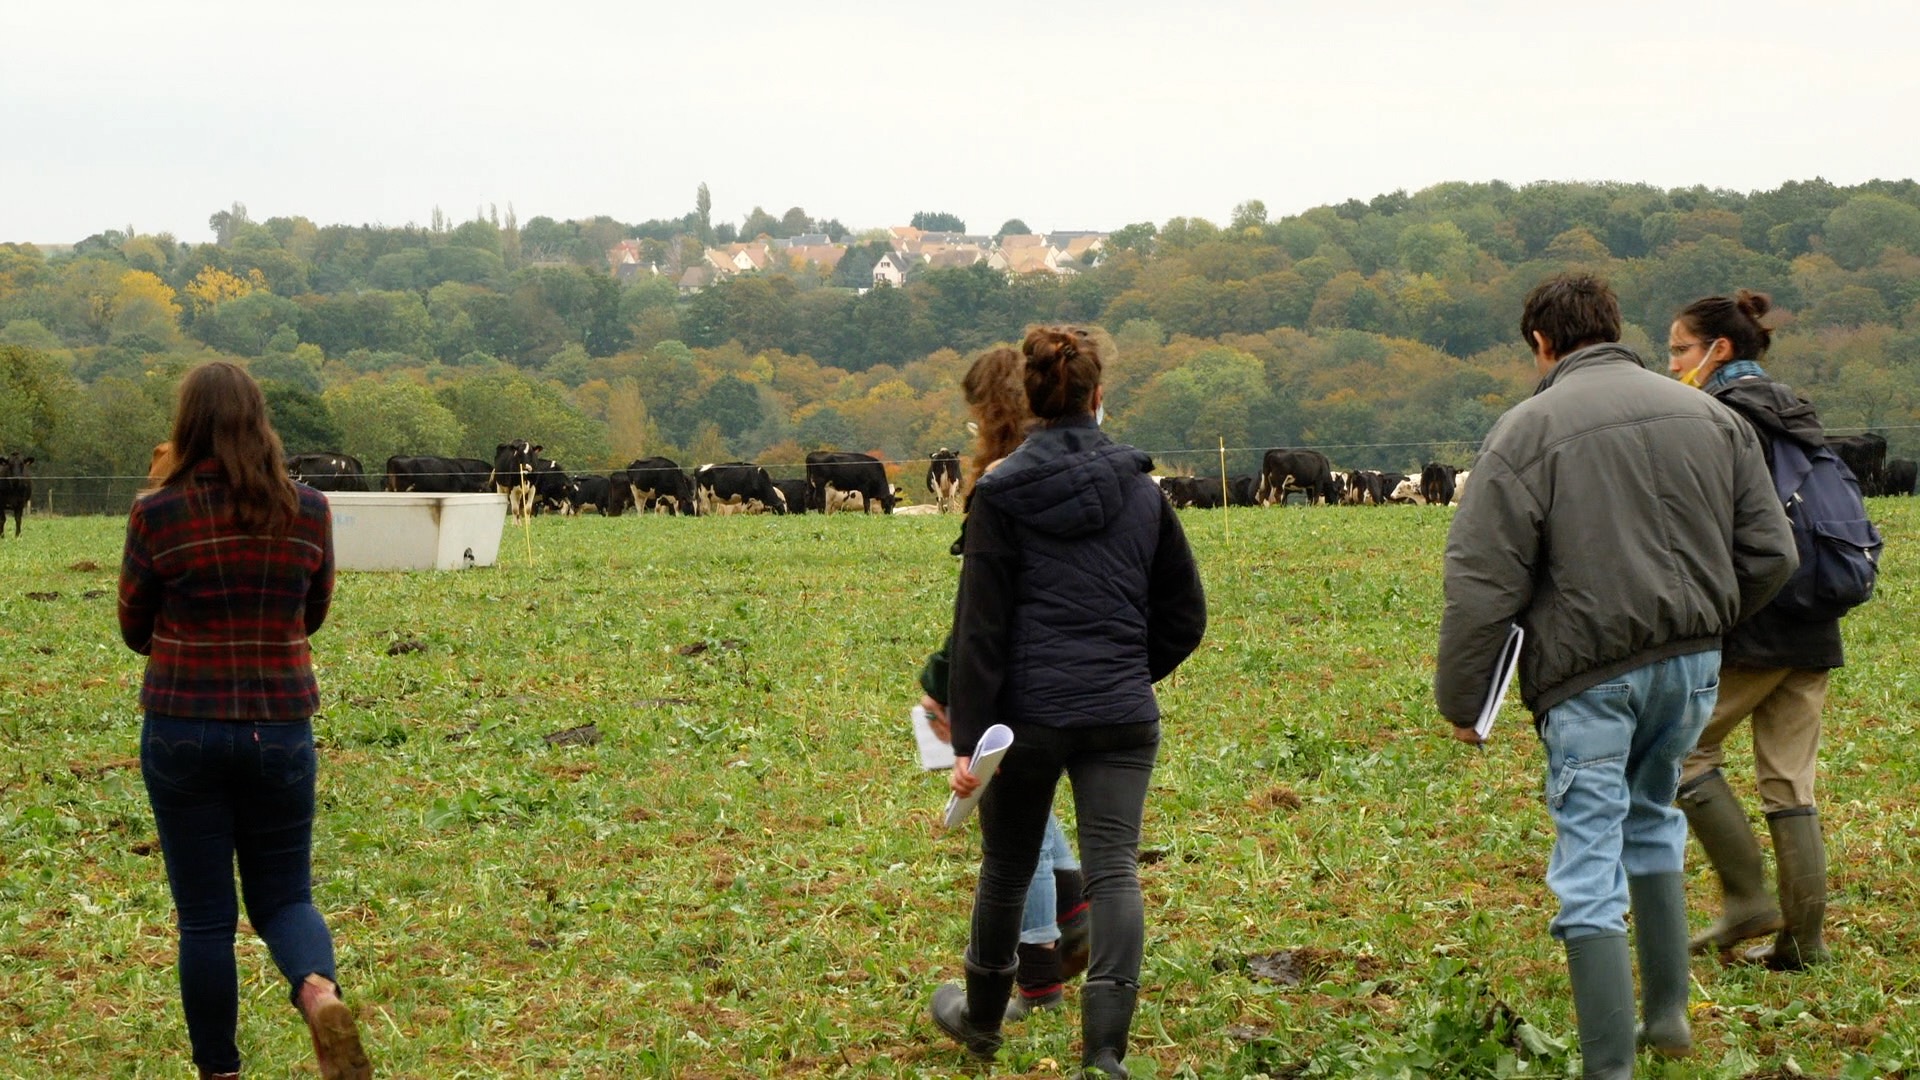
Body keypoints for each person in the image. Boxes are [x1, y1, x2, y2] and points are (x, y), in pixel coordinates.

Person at [1434, 275, 1795, 1079]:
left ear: (1541, 343)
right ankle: (1667, 1017)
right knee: (1655, 817)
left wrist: (1464, 700)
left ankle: (1608, 1066)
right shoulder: (1712, 417)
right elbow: (1774, 554)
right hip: (1693, 664)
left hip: (1588, 676)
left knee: (1588, 857)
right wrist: (1708, 621)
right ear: (1614, 328)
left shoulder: (1524, 430)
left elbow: (1481, 581)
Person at [929, 327, 1207, 1079]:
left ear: (1032, 398)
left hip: (1026, 718)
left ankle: (982, 1022)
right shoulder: (1145, 491)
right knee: (1115, 868)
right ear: (1098, 396)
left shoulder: (998, 496)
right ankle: (1106, 1052)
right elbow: (1185, 617)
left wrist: (969, 744)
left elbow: (978, 631)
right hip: (1119, 713)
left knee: (1007, 865)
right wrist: (1123, 672)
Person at [118, 362, 371, 1080]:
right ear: (261, 421)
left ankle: (219, 1072)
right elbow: (311, 613)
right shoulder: (310, 510)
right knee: (286, 895)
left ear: (186, 424)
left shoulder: (155, 512)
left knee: (204, 919)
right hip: (280, 727)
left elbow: (134, 624)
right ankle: (318, 991)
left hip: (181, 727)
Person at [1667, 290, 1842, 970]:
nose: (1673, 362)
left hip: (1761, 618)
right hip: (1818, 616)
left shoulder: (1718, 418)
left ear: (1720, 349)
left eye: (1680, 349)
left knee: (1681, 751)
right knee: (1790, 784)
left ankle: (1746, 901)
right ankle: (1804, 944)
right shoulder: (1795, 411)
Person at [918, 346, 1092, 1020]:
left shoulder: (1002, 483)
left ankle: (1042, 977)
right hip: (1066, 663)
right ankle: (1074, 915)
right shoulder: (1072, 468)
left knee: (1013, 819)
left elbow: (982, 609)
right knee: (1030, 807)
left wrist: (944, 681)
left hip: (1015, 669)